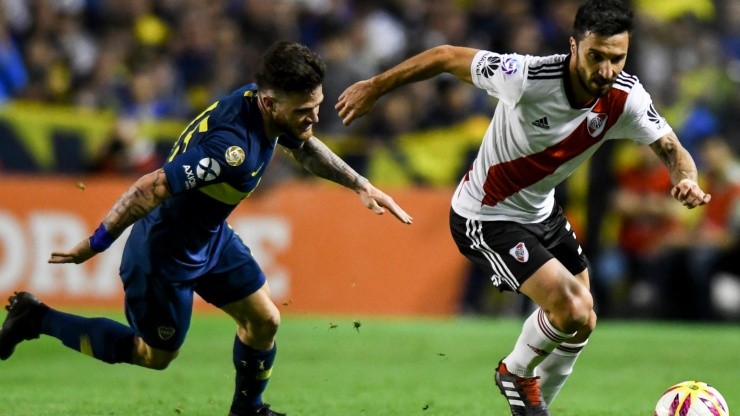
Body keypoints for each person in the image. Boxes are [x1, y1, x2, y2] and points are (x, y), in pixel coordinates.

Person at [335, 1, 710, 415]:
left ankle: (535, 408)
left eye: (616, 59)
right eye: (595, 56)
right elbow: (444, 57)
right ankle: (515, 371)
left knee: (583, 321)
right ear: (574, 46)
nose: (605, 70)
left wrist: (685, 178)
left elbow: (673, 150)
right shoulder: (526, 77)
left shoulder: (626, 96)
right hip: (486, 215)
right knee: (572, 307)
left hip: (540, 213)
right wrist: (374, 87)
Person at [0, 41, 412, 416]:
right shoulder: (232, 151)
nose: (315, 117)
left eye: (316, 105)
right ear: (270, 104)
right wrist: (96, 243)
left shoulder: (260, 105)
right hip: (163, 254)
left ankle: (247, 410)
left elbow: (302, 145)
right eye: (305, 111)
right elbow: (153, 185)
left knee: (265, 320)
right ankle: (36, 318)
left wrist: (360, 184)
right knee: (155, 356)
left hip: (209, 236)